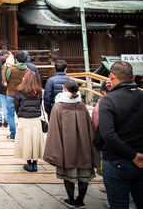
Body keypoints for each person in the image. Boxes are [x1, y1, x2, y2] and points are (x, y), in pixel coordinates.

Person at [43, 79, 99, 208]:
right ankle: (81, 200)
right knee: (83, 174)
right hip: (84, 145)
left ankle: (71, 199)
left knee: (68, 174)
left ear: (65, 89)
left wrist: (54, 150)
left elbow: (54, 130)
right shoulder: (82, 105)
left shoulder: (59, 106)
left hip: (66, 146)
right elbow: (90, 128)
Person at [98, 61, 143, 209]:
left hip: (116, 160)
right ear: (134, 77)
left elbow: (108, 134)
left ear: (111, 76)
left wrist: (132, 155)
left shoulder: (108, 100)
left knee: (118, 205)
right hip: (142, 158)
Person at [13, 71, 45, 173]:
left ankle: (29, 163)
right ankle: (35, 163)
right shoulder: (39, 91)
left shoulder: (19, 90)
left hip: (24, 117)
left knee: (26, 140)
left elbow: (16, 105)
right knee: (35, 139)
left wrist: (19, 114)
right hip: (35, 118)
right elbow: (39, 104)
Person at [4, 51, 30, 141]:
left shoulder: (11, 69)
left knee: (10, 115)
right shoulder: (28, 71)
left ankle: (13, 134)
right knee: (22, 115)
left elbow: (7, 79)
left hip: (11, 94)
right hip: (23, 95)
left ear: (16, 60)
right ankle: (23, 134)